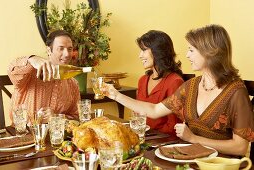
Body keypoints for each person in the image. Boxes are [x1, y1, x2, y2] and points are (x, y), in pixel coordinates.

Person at [103, 24, 254, 156]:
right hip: (192, 157)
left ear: (210, 51)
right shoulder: (191, 86)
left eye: (191, 50)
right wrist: (116, 95)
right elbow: (155, 110)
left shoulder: (236, 91)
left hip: (220, 164)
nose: (187, 55)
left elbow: (240, 147)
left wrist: (194, 139)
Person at [8, 30, 80, 123]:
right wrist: (32, 58)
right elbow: (12, 70)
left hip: (57, 135)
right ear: (49, 50)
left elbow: (76, 117)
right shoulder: (29, 73)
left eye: (69, 49)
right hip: (24, 134)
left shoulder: (73, 84)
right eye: (61, 48)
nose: (67, 54)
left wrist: (56, 117)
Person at [135, 30, 184, 135]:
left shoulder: (174, 82)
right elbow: (137, 115)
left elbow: (173, 126)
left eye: (144, 50)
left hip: (162, 141)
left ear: (158, 51)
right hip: (143, 137)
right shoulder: (142, 80)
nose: (140, 55)